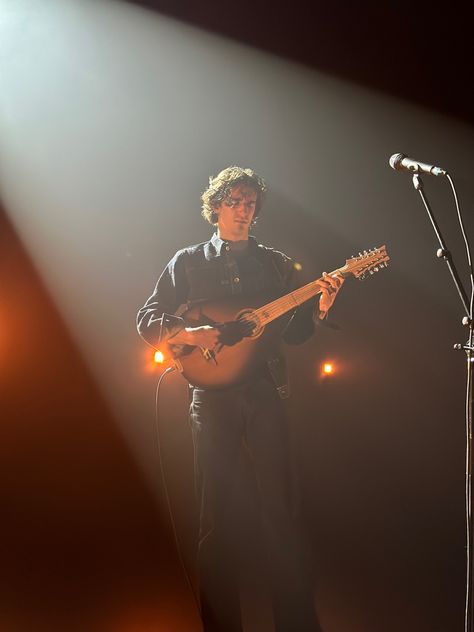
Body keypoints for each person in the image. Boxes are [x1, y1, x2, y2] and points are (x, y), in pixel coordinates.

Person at [137, 166, 344, 631]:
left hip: (264, 392)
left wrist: (322, 305)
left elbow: (294, 334)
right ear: (216, 207)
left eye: (251, 202)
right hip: (211, 398)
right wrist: (188, 330)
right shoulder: (187, 261)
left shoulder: (274, 263)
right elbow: (147, 316)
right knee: (216, 520)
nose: (244, 209)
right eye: (235, 200)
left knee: (283, 514)